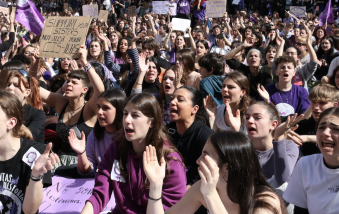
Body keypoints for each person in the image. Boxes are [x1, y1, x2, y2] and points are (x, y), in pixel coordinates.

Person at [80, 93, 187, 214]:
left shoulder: (169, 161)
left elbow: (175, 208)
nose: (127, 120)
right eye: (125, 114)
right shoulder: (115, 149)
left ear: (151, 122)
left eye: (135, 115)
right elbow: (100, 194)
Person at [144, 131, 286, 214]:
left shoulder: (265, 202)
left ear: (228, 168)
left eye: (206, 155)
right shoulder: (203, 189)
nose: (198, 161)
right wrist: (156, 186)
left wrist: (210, 195)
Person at [34, 45, 105, 165]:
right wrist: (35, 63)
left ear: (84, 90)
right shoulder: (60, 102)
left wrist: (84, 62)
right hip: (59, 162)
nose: (69, 85)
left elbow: (100, 90)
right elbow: (35, 89)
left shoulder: (89, 108)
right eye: (68, 81)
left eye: (74, 82)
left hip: (84, 163)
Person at [283, 107, 339, 214]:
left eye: (335, 129)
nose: (326, 133)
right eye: (321, 127)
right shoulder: (306, 165)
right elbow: (300, 210)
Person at [68, 89, 126, 177]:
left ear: (119, 110)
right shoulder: (95, 134)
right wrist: (81, 153)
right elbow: (87, 172)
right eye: (98, 107)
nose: (99, 112)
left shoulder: (128, 136)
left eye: (105, 108)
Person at [165, 86, 213, 190]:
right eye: (172, 98)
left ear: (194, 109)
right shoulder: (165, 132)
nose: (173, 102)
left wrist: (183, 195)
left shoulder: (206, 136)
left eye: (180, 100)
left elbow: (204, 174)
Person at [288, 84, 339, 156]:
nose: (316, 107)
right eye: (313, 102)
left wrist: (307, 138)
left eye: (322, 103)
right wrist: (285, 134)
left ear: (335, 105)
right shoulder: (302, 126)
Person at [6, 70, 46, 143]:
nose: (10, 88)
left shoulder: (38, 114)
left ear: (27, 92)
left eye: (16, 85)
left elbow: (29, 136)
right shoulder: (2, 111)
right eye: (8, 84)